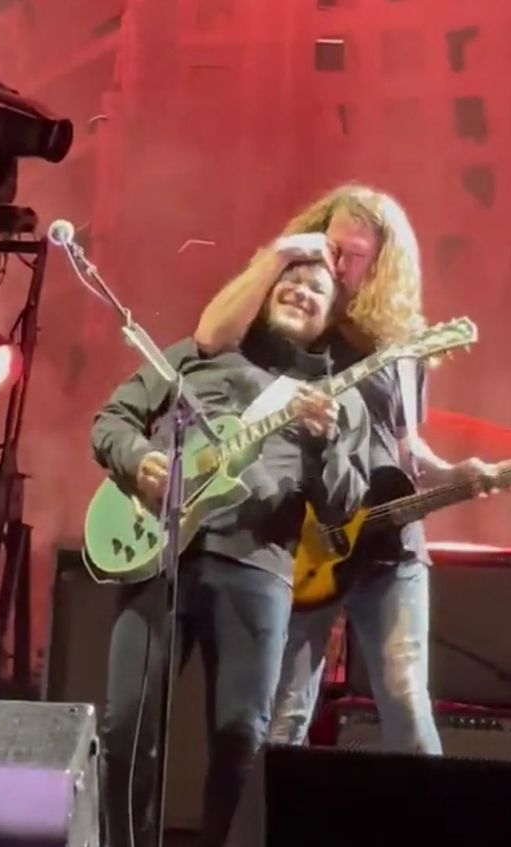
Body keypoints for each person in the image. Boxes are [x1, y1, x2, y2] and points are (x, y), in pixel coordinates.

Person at [195, 182, 511, 756]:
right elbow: (211, 343)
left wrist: (457, 472)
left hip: (386, 543)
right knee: (285, 714)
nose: (336, 262)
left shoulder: (396, 349)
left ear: (380, 269)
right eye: (331, 245)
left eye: (354, 256)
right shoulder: (291, 316)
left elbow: (407, 454)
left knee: (404, 699)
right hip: (304, 543)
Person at [91, 258, 371, 847]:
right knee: (124, 728)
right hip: (158, 557)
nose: (299, 290)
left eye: (317, 289)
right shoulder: (199, 354)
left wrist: (325, 445)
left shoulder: (336, 400)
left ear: (331, 316)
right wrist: (137, 460)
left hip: (257, 569)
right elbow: (112, 420)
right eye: (290, 280)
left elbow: (344, 504)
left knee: (241, 738)